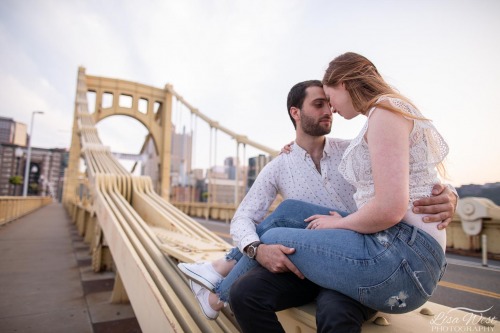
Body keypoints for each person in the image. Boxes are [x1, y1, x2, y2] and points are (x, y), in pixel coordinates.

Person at [178, 78, 456, 330]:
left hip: (359, 260)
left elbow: (410, 168)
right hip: (302, 265)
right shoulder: (278, 166)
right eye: (319, 104)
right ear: (295, 113)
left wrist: (449, 194)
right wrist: (256, 249)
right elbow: (242, 219)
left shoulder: (353, 150)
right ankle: (220, 289)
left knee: (335, 314)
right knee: (244, 294)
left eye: (330, 103)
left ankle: (217, 272)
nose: (329, 110)